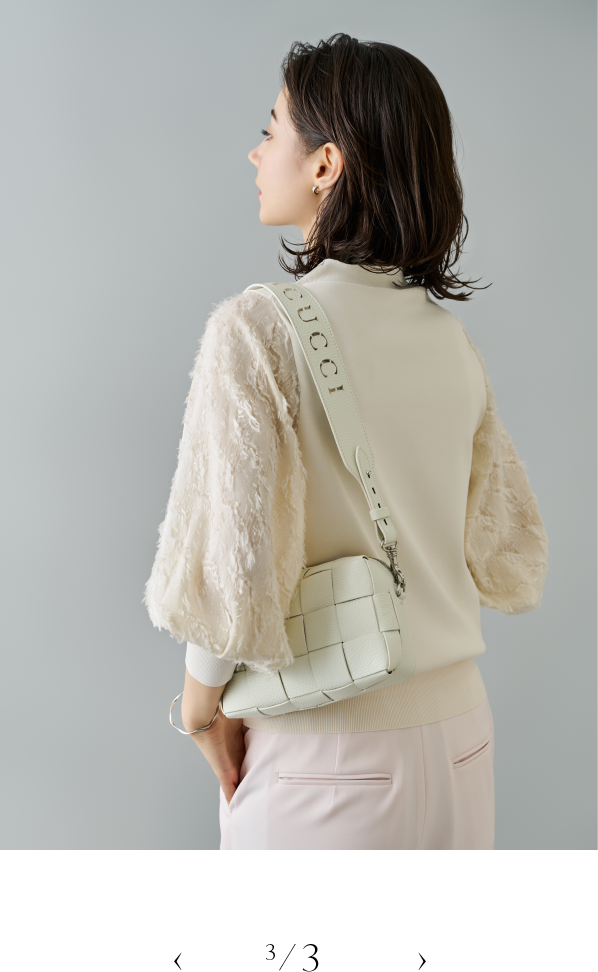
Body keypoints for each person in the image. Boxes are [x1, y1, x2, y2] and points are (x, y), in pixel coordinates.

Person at [145, 34, 548, 852]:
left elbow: (234, 556)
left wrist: (201, 708)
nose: (256, 152)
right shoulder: (450, 341)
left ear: (325, 164)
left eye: (271, 130)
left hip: (326, 757)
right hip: (463, 743)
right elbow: (503, 545)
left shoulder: (257, 330)